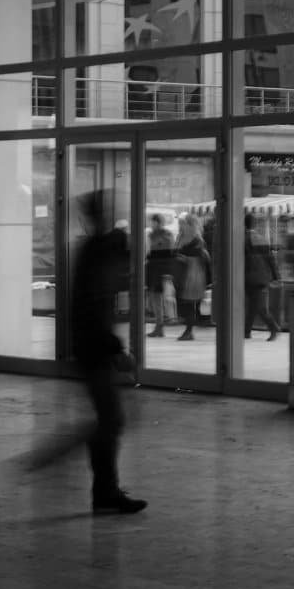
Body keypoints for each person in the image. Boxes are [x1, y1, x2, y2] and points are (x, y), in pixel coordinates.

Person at [71, 190, 146, 514]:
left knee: (109, 420)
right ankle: (105, 491)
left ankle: (105, 488)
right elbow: (93, 304)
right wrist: (115, 348)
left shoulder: (93, 249)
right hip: (93, 347)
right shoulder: (96, 252)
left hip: (92, 345)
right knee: (110, 420)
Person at [243, 213, 282, 341]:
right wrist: (276, 276)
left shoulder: (243, 239)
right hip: (263, 276)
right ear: (255, 224)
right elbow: (271, 259)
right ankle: (246, 331)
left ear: (244, 224)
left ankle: (274, 327)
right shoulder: (262, 238)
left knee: (259, 306)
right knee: (253, 305)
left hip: (250, 277)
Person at [174, 214, 212, 342]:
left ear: (190, 224)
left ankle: (189, 331)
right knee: (187, 304)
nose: (182, 225)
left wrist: (183, 258)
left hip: (193, 274)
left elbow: (200, 256)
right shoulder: (184, 237)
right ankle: (189, 329)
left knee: (189, 304)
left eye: (184, 223)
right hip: (187, 273)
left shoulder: (196, 239)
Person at [145, 214, 176, 337]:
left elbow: (168, 251)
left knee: (159, 298)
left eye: (152, 222)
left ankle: (160, 326)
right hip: (154, 269)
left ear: (158, 222)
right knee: (155, 298)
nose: (151, 224)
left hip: (160, 270)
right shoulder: (152, 235)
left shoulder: (165, 235)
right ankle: (159, 325)